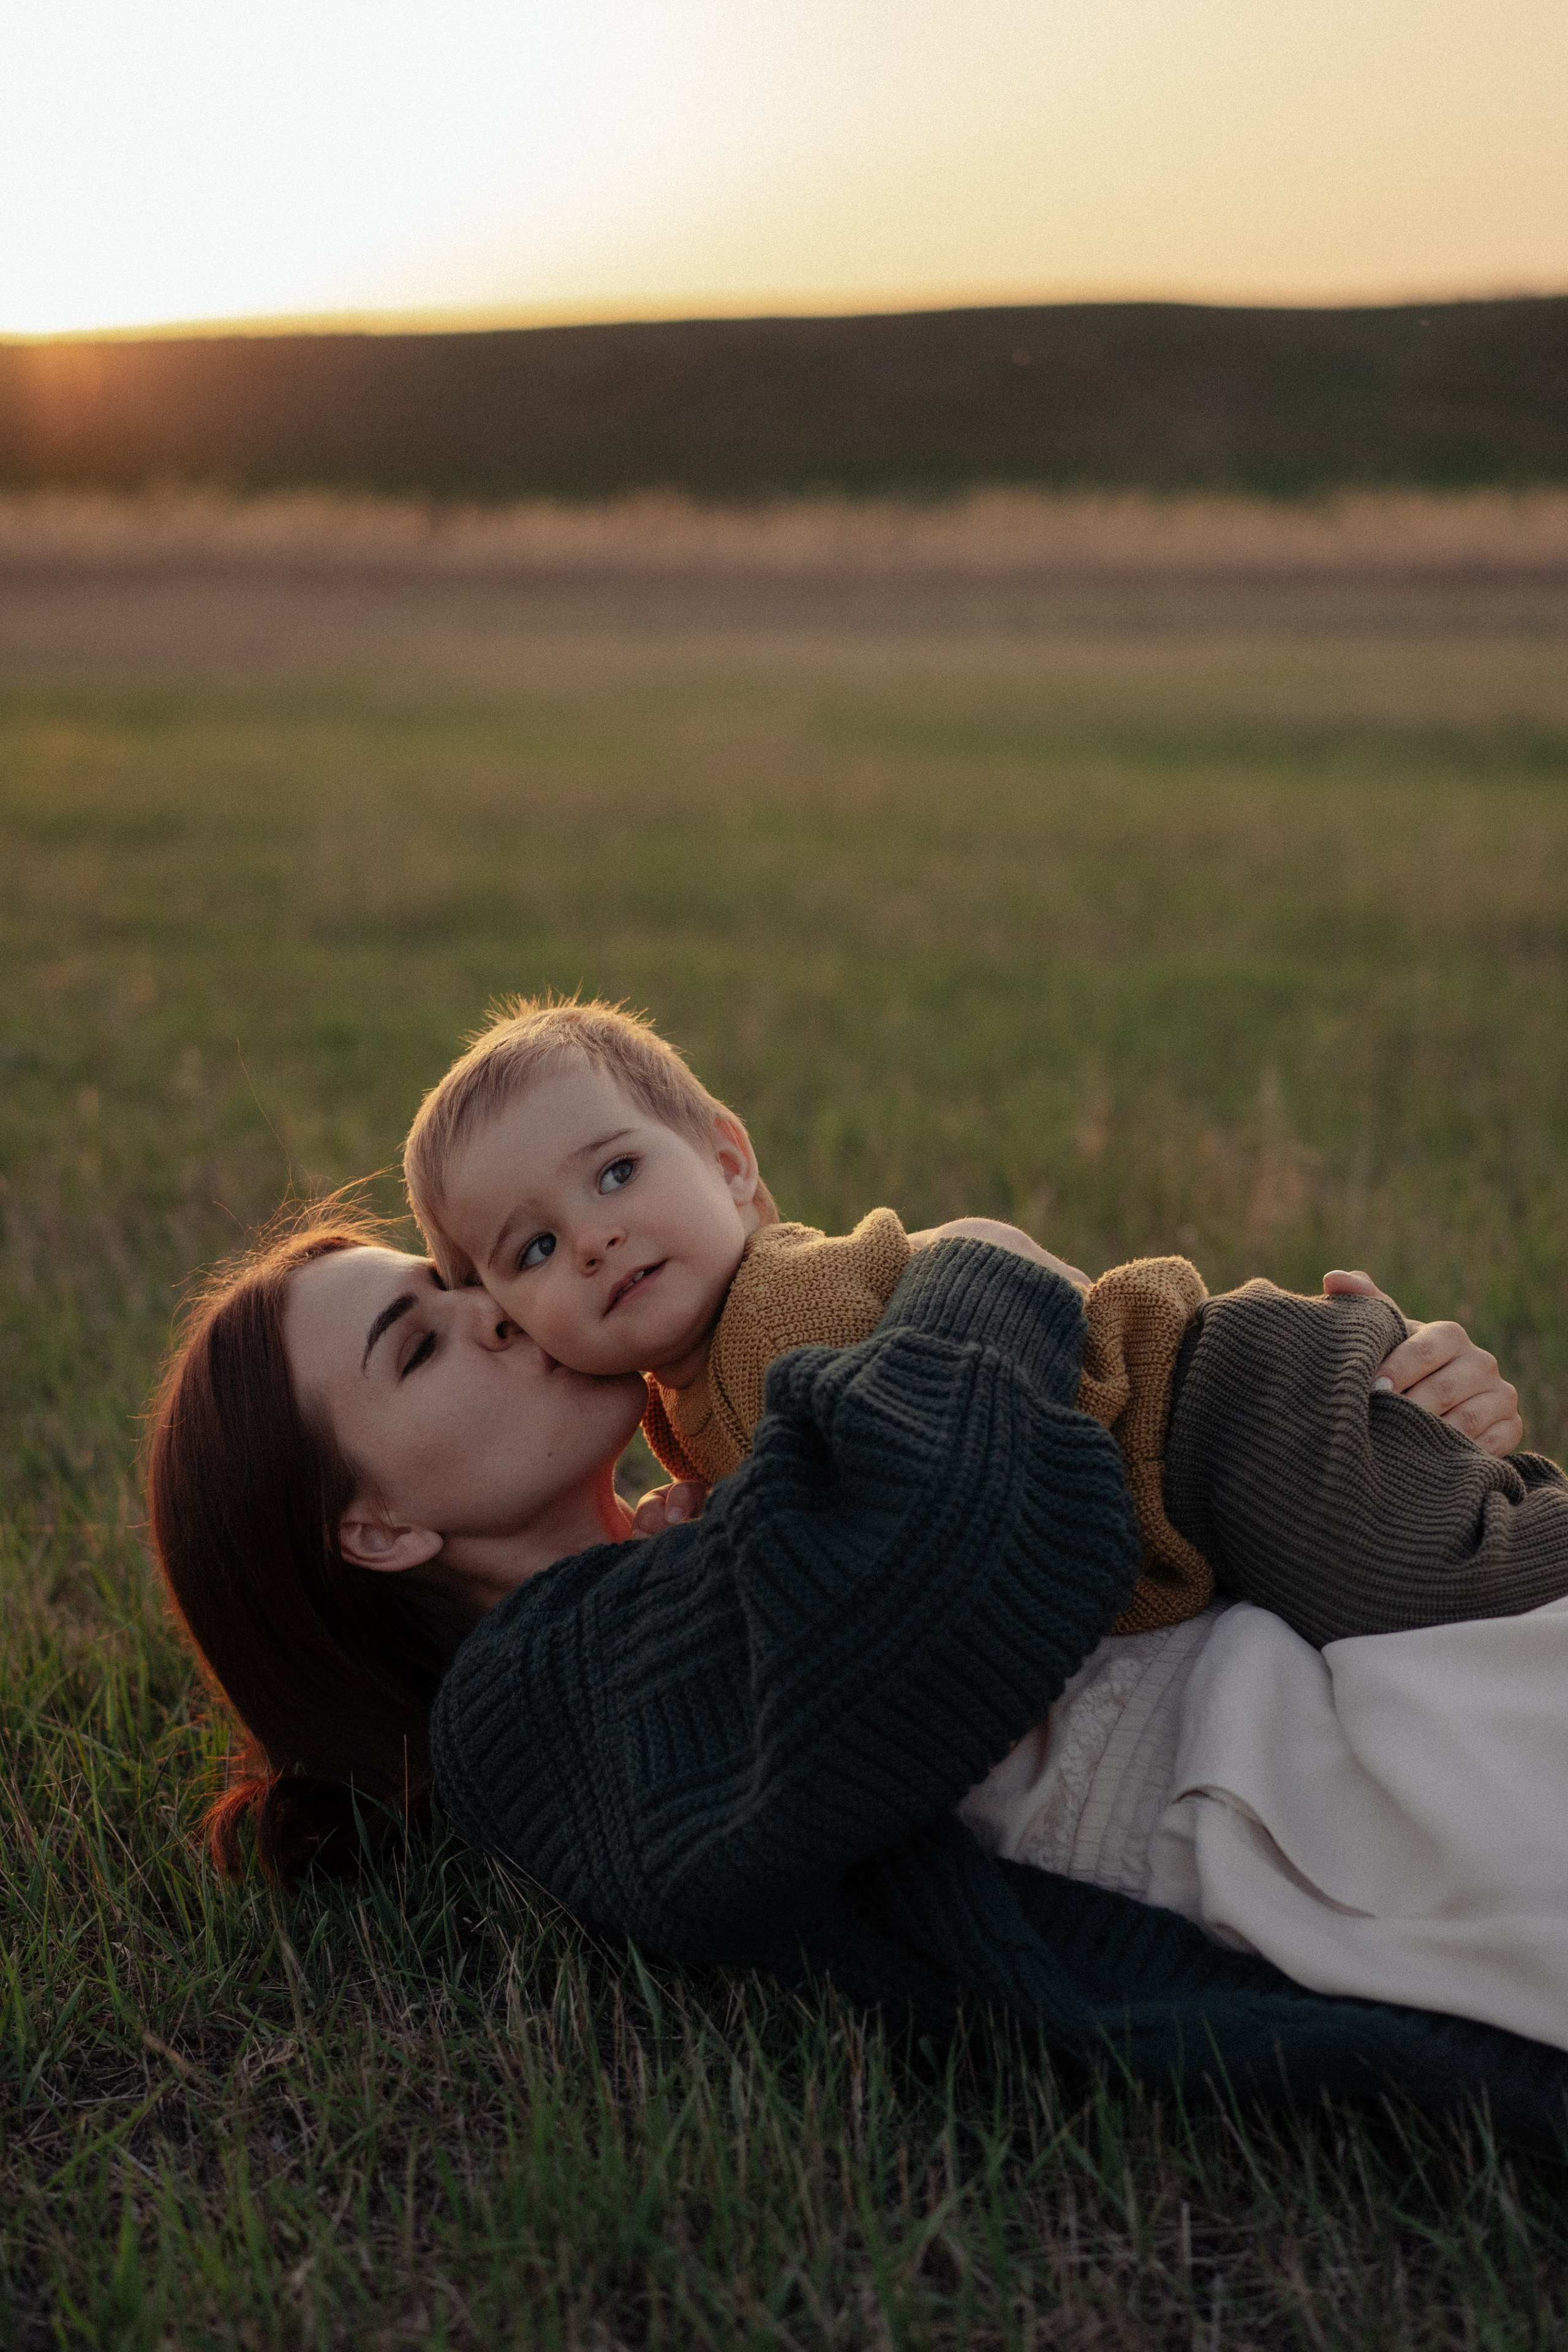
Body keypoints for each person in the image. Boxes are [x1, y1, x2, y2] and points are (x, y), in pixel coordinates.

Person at [146, 1209, 1568, 2143]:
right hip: (1336, 1816)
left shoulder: (696, 1499)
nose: (499, 1314)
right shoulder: (528, 1723)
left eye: (456, 1285)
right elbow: (942, 1561)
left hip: (1377, 1685)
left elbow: (1109, 1486)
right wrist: (977, 1267)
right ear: (378, 1529)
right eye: (421, 1343)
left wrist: (1378, 1423)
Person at [404, 998, 1559, 1649]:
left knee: (1463, 1596)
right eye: (537, 1248)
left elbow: (894, 1491)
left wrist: (721, 1545)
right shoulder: (683, 1402)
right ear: (506, 1313)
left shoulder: (776, 1306)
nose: (593, 1237)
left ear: (730, 1162)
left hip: (1223, 1421)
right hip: (1200, 1468)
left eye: (613, 1175)